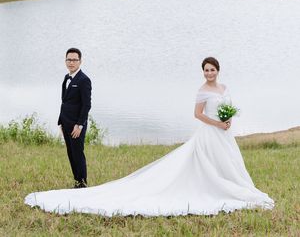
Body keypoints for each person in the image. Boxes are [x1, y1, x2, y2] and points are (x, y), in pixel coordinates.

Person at [25, 57, 274, 216]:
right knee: (203, 166)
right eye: (205, 70)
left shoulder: (224, 88)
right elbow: (197, 114)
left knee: (228, 163)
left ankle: (232, 187)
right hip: (210, 132)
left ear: (218, 70)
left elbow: (226, 107)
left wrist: (228, 121)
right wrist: (218, 123)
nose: (209, 73)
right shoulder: (202, 91)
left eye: (212, 70)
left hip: (223, 135)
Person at [58, 48, 92, 188]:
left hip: (76, 126)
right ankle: (77, 182)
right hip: (65, 123)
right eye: (69, 59)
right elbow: (65, 102)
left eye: (74, 60)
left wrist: (79, 125)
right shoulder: (67, 78)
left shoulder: (84, 80)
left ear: (80, 61)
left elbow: (86, 105)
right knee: (71, 154)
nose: (71, 62)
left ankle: (83, 184)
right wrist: (61, 122)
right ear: (65, 61)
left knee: (78, 154)